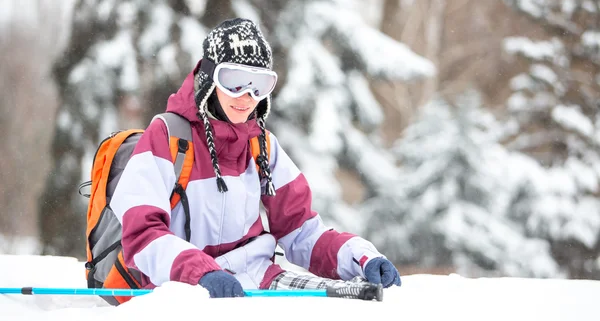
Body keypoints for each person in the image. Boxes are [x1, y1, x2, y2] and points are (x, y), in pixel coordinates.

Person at [110, 18, 401, 298]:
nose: (247, 96)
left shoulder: (261, 146)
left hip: (258, 278)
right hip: (185, 287)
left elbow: (301, 231)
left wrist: (361, 257)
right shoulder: (167, 136)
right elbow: (142, 235)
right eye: (235, 80)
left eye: (259, 84)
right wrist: (201, 273)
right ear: (211, 77)